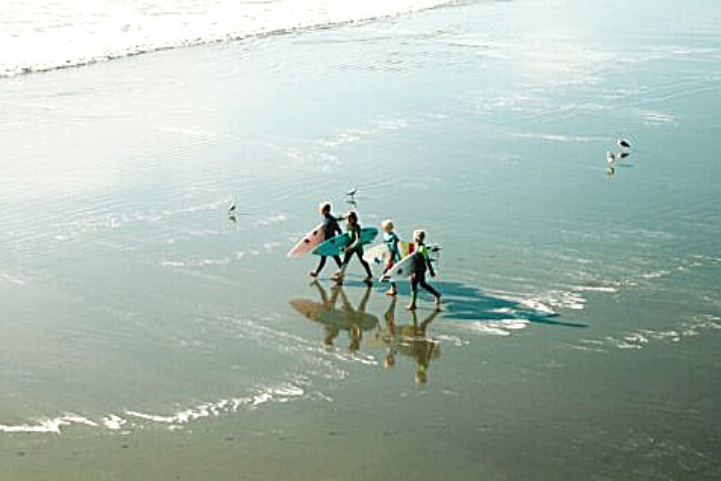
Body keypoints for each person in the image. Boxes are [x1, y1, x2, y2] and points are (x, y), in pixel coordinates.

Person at [333, 211, 373, 286]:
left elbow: (358, 240)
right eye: (348, 219)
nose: (348, 220)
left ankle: (370, 275)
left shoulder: (357, 227)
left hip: (357, 246)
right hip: (349, 245)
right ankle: (340, 278)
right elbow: (337, 219)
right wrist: (344, 216)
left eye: (350, 219)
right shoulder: (348, 225)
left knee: (363, 261)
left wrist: (349, 248)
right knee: (345, 261)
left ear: (354, 219)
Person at [407, 229, 441, 311]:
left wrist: (414, 272)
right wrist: (431, 270)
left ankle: (413, 304)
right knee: (422, 284)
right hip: (422, 269)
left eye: (415, 237)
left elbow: (422, 261)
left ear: (417, 238)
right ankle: (437, 294)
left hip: (419, 269)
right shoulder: (420, 247)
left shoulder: (421, 248)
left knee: (413, 284)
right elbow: (427, 260)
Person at [310, 202, 343, 278]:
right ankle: (317, 273)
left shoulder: (331, 220)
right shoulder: (326, 218)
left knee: (334, 258)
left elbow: (339, 230)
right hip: (326, 242)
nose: (321, 212)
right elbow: (324, 227)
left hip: (331, 242)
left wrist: (340, 240)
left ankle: (341, 272)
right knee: (327, 257)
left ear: (327, 211)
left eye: (323, 210)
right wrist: (317, 232)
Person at [381, 219, 401, 296]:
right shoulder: (385, 234)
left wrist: (391, 260)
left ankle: (393, 289)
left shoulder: (393, 237)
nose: (384, 229)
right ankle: (393, 288)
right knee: (389, 272)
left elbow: (394, 249)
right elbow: (384, 245)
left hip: (393, 257)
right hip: (387, 255)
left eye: (385, 228)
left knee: (388, 272)